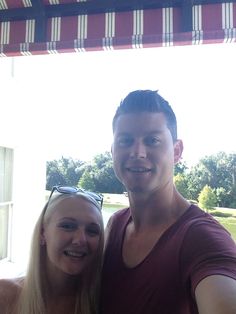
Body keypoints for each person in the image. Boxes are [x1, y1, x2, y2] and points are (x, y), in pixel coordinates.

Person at [100, 90, 236, 314]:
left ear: (176, 151)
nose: (138, 152)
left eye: (152, 140)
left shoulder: (202, 239)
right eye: (126, 140)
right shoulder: (115, 225)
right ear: (113, 151)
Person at [0, 186, 104, 314]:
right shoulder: (4, 295)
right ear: (42, 233)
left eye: (92, 231)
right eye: (67, 226)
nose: (81, 239)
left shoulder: (101, 302)